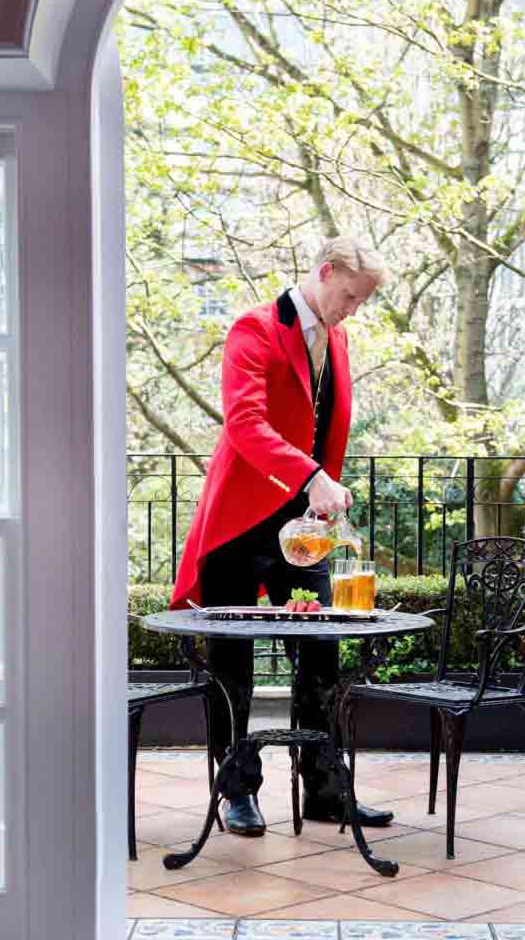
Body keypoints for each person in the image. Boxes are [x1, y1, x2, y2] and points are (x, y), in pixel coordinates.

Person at [171, 235, 393, 837]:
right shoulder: (254, 327)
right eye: (350, 296)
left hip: (304, 531)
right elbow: (244, 423)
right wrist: (312, 475)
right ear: (325, 272)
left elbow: (329, 427)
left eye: (360, 301)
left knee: (321, 654)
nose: (353, 310)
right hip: (239, 525)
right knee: (231, 665)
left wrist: (323, 492)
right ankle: (236, 792)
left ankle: (323, 790)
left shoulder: (338, 337)